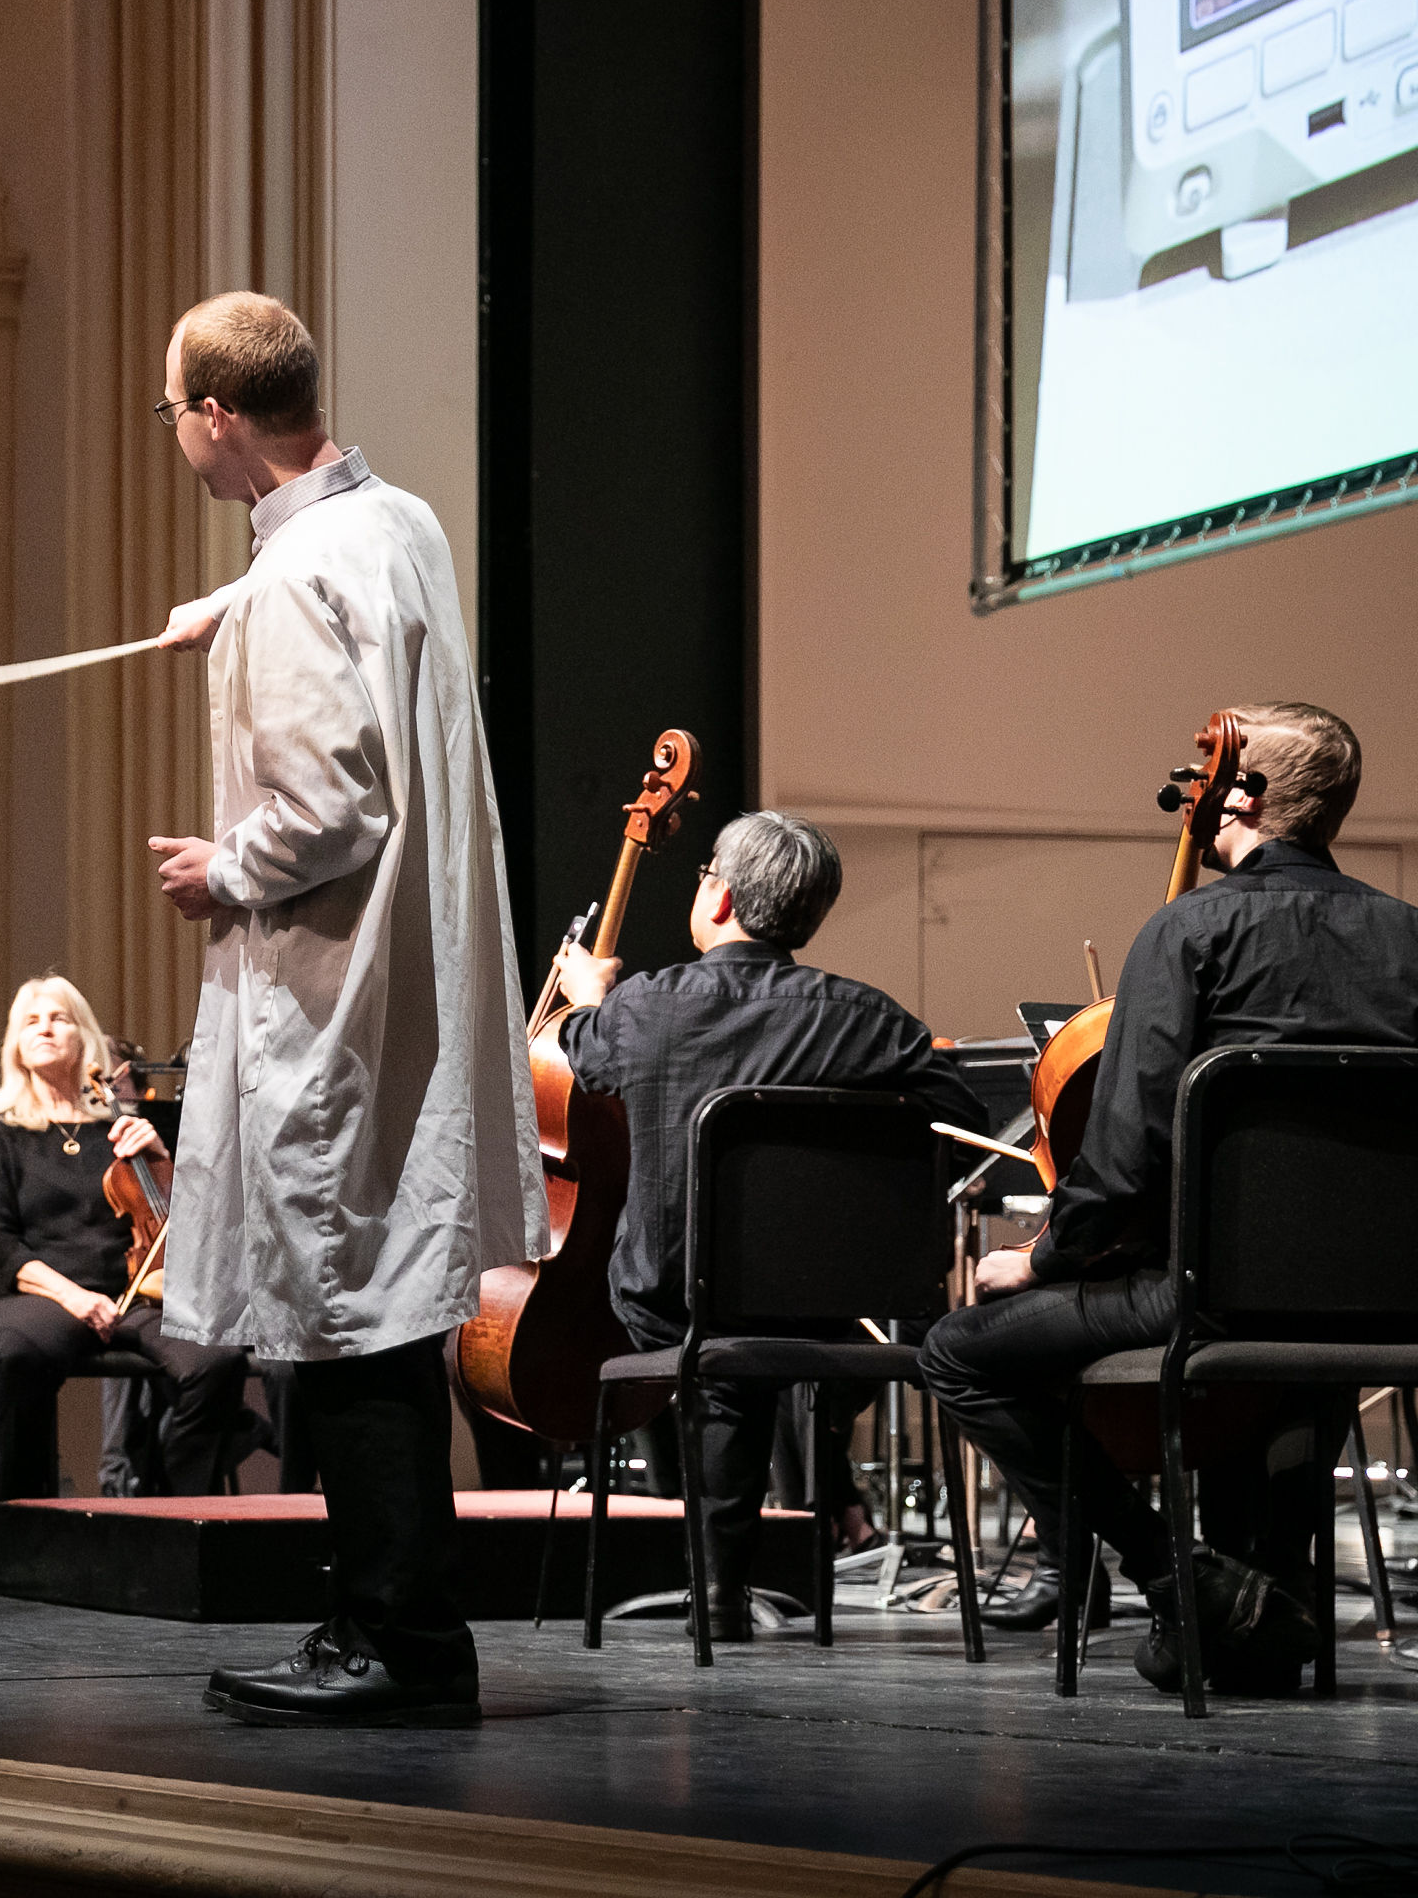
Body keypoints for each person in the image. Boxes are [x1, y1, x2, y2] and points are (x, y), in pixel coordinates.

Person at [146, 292, 543, 1729]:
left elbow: (328, 805)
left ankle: (399, 1642)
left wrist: (220, 866)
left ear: (213, 416)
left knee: (353, 1310)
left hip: (334, 990)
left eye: (170, 413)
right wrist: (237, 604)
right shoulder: (399, 522)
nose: (175, 439)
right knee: (368, 1297)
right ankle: (380, 1625)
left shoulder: (297, 573)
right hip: (400, 986)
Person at [922, 701, 1418, 1698]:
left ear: (1242, 792)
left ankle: (1169, 1571)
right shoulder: (1409, 939)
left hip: (1207, 1298)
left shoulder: (1189, 929)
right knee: (1292, 1360)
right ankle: (1266, 1591)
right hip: (1382, 1305)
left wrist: (1044, 1257)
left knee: (956, 1354)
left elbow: (1126, 1155)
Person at [549, 810, 978, 1634]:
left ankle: (717, 1593)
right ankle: (765, 1555)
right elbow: (957, 1118)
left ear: (722, 897)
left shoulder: (646, 1008)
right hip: (827, 1302)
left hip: (672, 1298)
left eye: (706, 872)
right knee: (770, 1335)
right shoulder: (867, 1019)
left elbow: (582, 1057)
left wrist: (588, 1001)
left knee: (712, 1345)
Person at [0, 978, 243, 1507]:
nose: (46, 1028)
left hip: (135, 1293)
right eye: (32, 1021)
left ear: (84, 1035)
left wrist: (162, 1158)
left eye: (60, 1018)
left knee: (218, 1362)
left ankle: (173, 1508)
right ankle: (23, 1521)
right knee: (19, 1358)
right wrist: (74, 1297)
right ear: (16, 1047)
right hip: (43, 1297)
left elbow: (183, 1225)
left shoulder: (121, 1125)